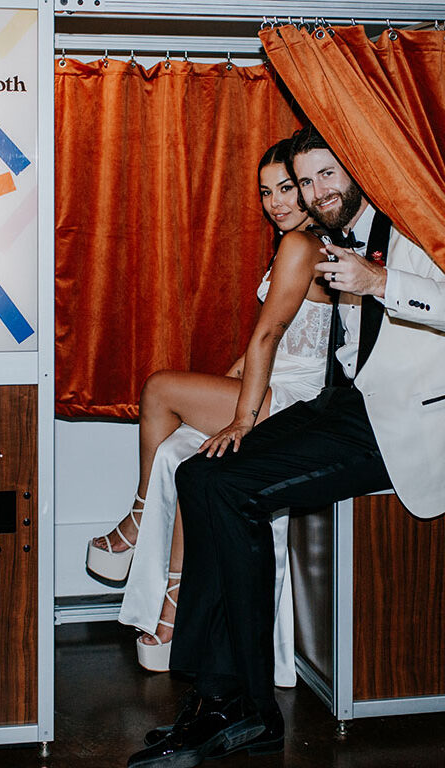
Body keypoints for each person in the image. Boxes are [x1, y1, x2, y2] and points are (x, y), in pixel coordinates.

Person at [126, 125, 445, 768]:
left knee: (231, 487)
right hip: (346, 405)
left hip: (406, 423)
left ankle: (238, 705)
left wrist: (379, 282)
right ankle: (223, 700)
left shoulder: (414, 219)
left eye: (326, 175)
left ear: (355, 169)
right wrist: (247, 417)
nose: (314, 191)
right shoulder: (332, 237)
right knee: (201, 473)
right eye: (304, 181)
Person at [86, 138, 334, 678]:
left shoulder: (303, 244)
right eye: (266, 192)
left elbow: (268, 338)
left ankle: (137, 519)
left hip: (293, 399)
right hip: (270, 387)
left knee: (157, 388)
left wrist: (239, 415)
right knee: (186, 454)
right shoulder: (296, 243)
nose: (275, 202)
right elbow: (258, 349)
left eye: (287, 188)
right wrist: (218, 393)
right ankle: (172, 603)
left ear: (312, 187)